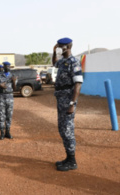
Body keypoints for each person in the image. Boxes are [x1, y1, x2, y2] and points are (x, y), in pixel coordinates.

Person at [52, 38, 83, 171]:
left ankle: (72, 161)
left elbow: (78, 84)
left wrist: (72, 103)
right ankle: (68, 157)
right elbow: (54, 63)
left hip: (68, 99)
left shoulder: (74, 62)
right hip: (60, 98)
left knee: (67, 129)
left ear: (69, 46)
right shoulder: (62, 61)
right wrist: (54, 51)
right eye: (58, 45)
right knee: (62, 128)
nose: (59, 47)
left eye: (61, 46)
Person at [0, 61, 17, 140]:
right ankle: (2, 133)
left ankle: (8, 132)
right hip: (1, 97)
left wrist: (14, 81)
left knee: (9, 115)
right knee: (1, 115)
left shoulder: (13, 76)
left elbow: (14, 89)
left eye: (9, 66)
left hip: (10, 97)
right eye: (6, 66)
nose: (7, 67)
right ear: (3, 67)